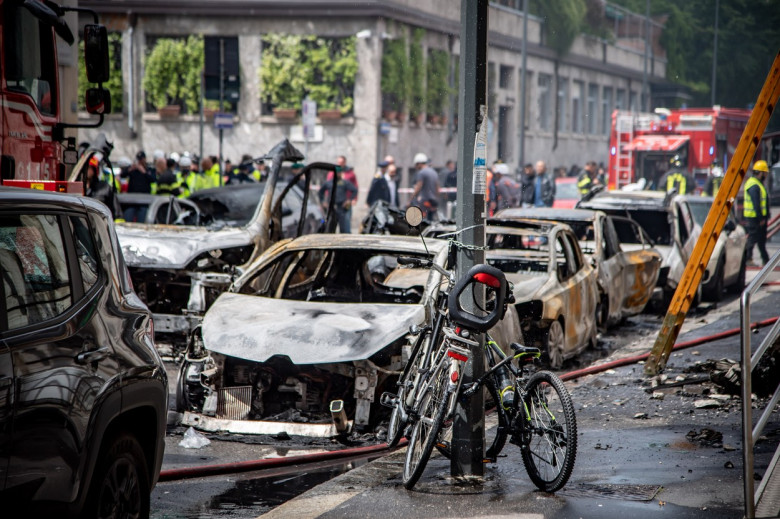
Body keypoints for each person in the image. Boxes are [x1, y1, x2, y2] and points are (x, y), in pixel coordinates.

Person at [744, 160, 770, 266]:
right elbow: (756, 203)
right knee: (753, 238)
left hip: (757, 217)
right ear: (760, 172)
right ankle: (748, 258)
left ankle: (766, 260)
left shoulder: (757, 184)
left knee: (760, 239)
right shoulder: (754, 185)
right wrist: (761, 219)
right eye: (765, 173)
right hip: (755, 218)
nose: (766, 175)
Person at [320, 166, 358, 233]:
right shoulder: (328, 183)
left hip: (341, 208)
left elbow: (354, 190)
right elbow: (320, 192)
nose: (338, 174)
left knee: (344, 229)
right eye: (336, 173)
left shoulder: (344, 182)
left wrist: (349, 200)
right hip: (331, 208)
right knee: (330, 228)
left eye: (339, 173)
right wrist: (323, 202)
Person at [410, 152, 440, 220]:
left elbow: (418, 187)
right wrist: (436, 199)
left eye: (416, 164)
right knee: (432, 221)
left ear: (419, 163)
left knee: (422, 222)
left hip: (424, 202)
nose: (416, 167)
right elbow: (438, 189)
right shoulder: (434, 172)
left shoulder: (422, 173)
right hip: (433, 202)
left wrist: (411, 199)